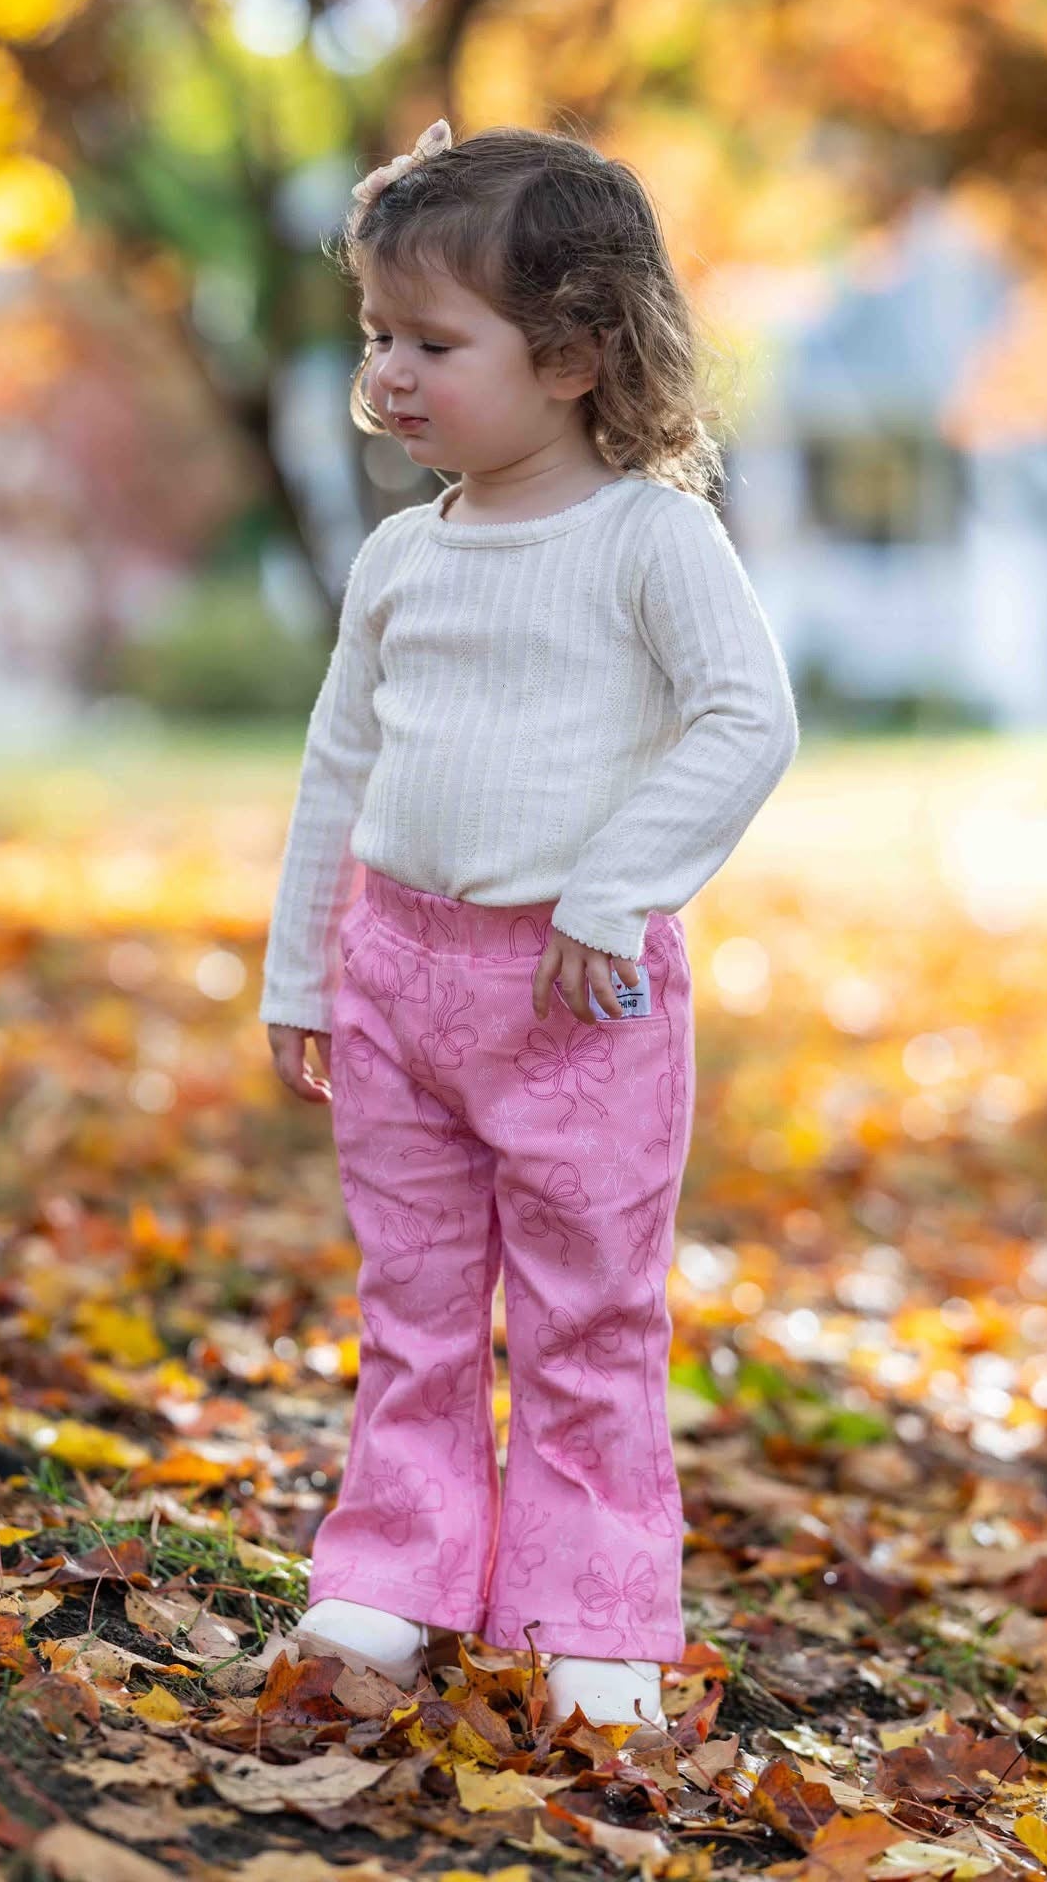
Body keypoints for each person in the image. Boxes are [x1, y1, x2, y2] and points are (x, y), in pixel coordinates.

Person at [260, 115, 799, 1730]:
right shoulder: (395, 558)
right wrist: (302, 967)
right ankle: (392, 1582)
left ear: (570, 353)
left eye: (433, 340)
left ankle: (595, 1618)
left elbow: (740, 720)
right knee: (412, 1304)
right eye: (374, 337)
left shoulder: (649, 538)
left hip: (579, 1001)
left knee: (587, 1314)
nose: (389, 375)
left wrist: (613, 888)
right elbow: (336, 767)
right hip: (397, 980)